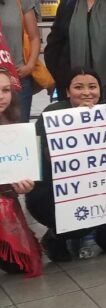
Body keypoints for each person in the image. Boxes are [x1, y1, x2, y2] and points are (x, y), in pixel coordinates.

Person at [27, 67, 106, 263]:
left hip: (100, 188)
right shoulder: (52, 113)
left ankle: (89, 230)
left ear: (100, 90)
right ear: (68, 91)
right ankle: (55, 236)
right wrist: (77, 123)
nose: (86, 92)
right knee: (78, 222)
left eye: (92, 87)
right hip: (55, 191)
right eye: (78, 87)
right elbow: (47, 157)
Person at [0, 67, 42, 276]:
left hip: (4, 202)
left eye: (6, 90)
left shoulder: (11, 123)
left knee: (18, 266)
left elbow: (16, 169)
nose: (1, 97)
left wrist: (25, 184)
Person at [0, 0, 39, 121]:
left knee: (19, 131)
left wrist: (30, 65)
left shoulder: (20, 0)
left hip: (17, 78)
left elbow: (35, 37)